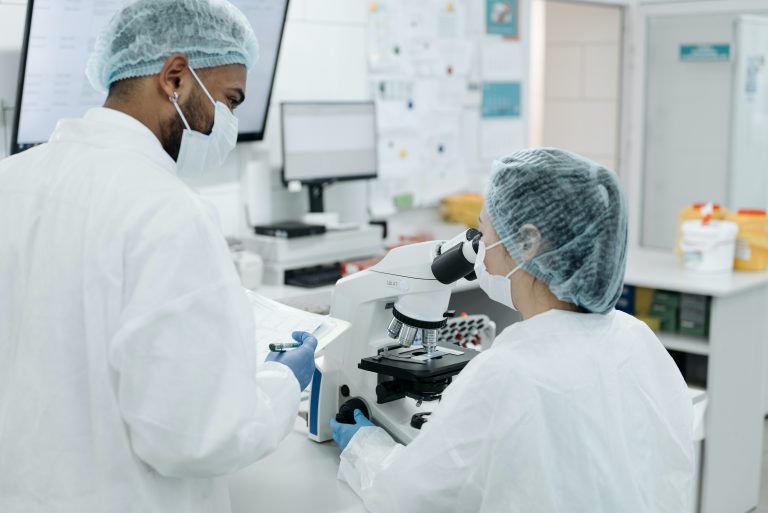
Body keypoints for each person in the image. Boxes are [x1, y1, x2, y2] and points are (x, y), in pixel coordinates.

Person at [0, 1, 316, 511]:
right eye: (230, 100)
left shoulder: (10, 181)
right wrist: (282, 383)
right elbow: (200, 436)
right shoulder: (169, 213)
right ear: (175, 77)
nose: (229, 121)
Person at [330, 148, 694, 513]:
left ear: (527, 241)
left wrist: (364, 449)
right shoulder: (637, 338)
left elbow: (407, 500)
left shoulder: (507, 374)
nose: (479, 249)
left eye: (485, 230)